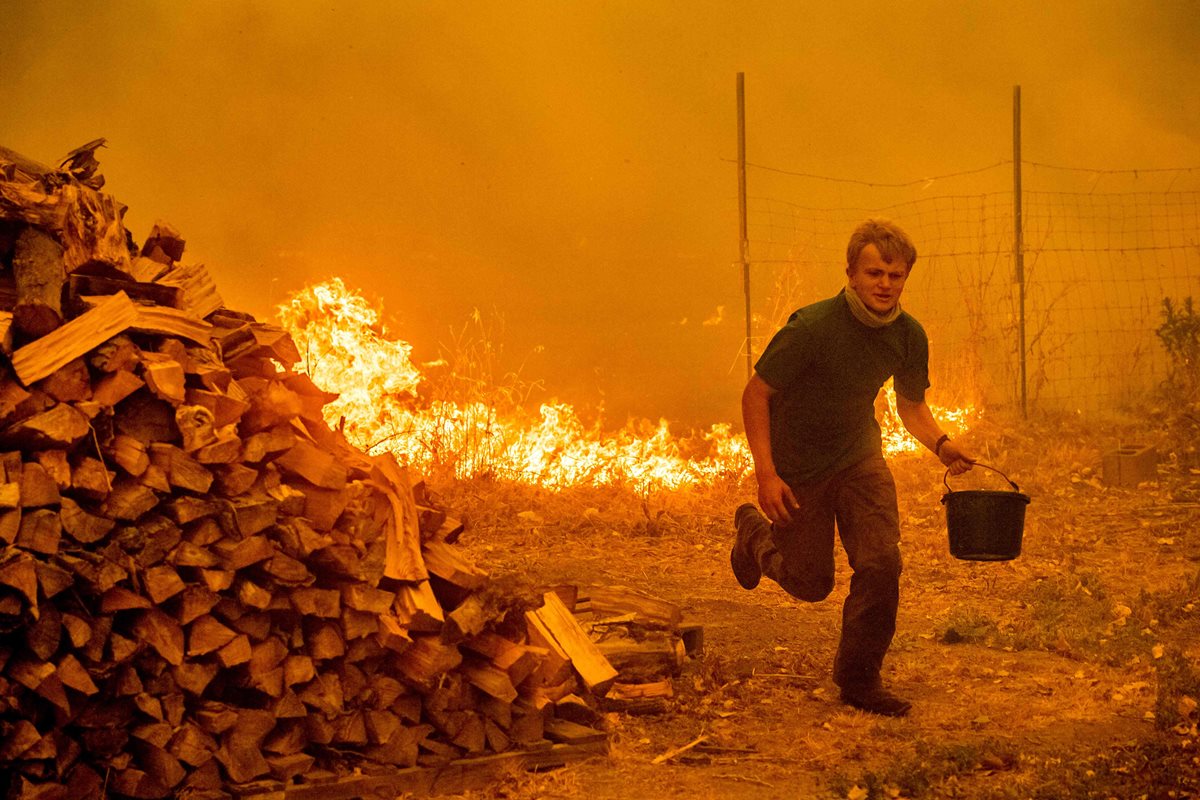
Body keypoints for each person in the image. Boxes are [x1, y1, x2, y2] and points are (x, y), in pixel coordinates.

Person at [732, 218, 974, 717]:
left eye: (895, 275)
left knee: (882, 562)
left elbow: (911, 407)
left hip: (861, 456)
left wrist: (942, 444)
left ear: (905, 277)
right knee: (810, 583)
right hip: (799, 465)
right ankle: (755, 538)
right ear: (851, 273)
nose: (885, 284)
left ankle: (859, 678)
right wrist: (766, 474)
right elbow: (756, 394)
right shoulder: (812, 328)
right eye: (875, 273)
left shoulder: (908, 336)